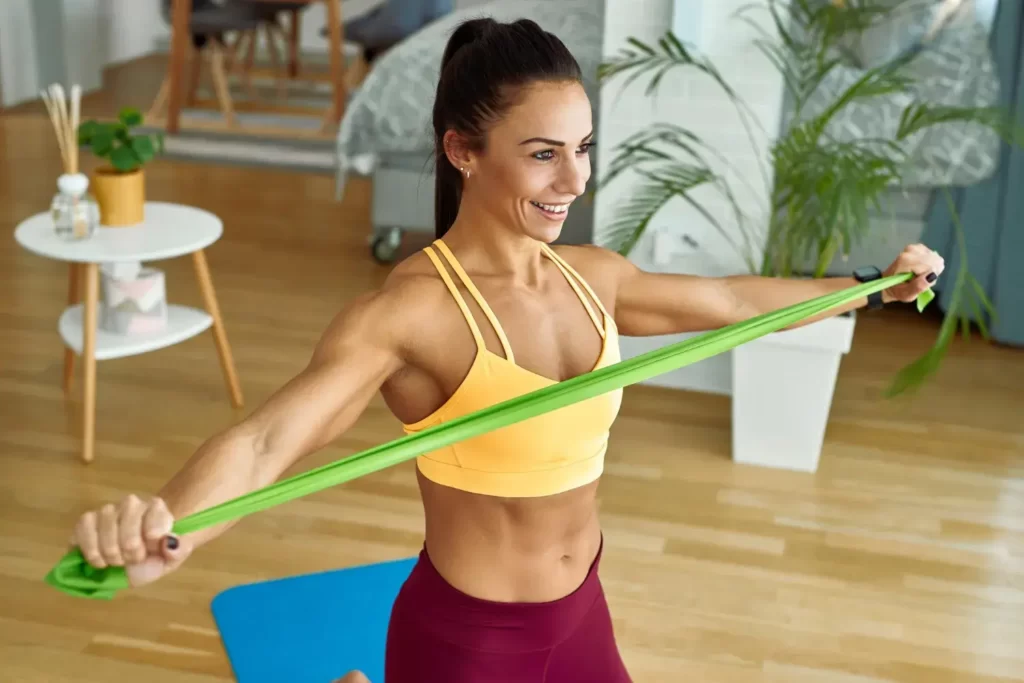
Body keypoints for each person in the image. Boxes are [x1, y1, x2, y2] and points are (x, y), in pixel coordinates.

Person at [66, 17, 944, 683]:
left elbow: (731, 301)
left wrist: (867, 283)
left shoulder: (594, 278)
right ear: (463, 150)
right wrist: (167, 527)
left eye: (583, 150)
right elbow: (268, 444)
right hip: (469, 641)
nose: (575, 181)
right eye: (542, 155)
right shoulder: (410, 313)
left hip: (583, 611)